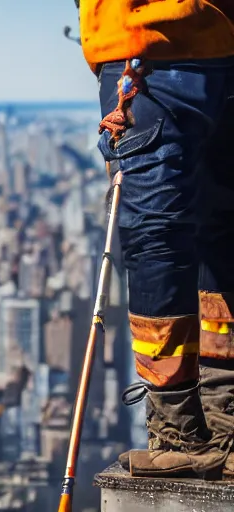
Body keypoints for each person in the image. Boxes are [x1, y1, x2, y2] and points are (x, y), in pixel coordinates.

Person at [79, 1, 234, 477]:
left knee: (156, 235)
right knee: (222, 230)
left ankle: (178, 431)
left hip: (144, 45)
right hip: (223, 46)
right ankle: (227, 420)